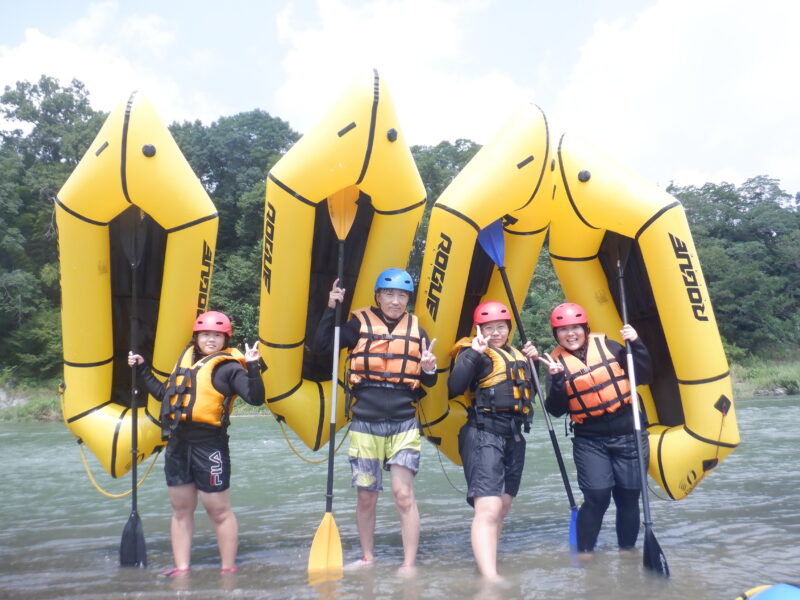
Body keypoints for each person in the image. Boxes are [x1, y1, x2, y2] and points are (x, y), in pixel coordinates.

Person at [313, 268, 438, 572]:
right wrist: (331, 307)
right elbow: (323, 348)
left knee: (403, 494)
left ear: (408, 299)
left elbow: (428, 383)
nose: (396, 301)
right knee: (367, 496)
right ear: (378, 296)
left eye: (402, 296)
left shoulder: (417, 331)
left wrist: (429, 368)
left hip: (404, 423)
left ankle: (409, 564)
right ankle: (368, 557)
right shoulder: (358, 324)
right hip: (365, 422)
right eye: (390, 294)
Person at [127, 310, 264, 576]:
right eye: (206, 335)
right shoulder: (185, 364)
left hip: (209, 446)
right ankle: (182, 568)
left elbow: (255, 398)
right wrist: (142, 367)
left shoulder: (229, 368)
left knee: (218, 510)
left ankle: (227, 569)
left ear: (225, 339)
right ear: (197, 337)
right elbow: (163, 394)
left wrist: (254, 367)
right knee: (180, 509)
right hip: (177, 444)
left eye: (217, 335)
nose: (211, 340)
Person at [541, 302, 652, 557]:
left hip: (628, 435)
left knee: (628, 496)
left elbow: (643, 375)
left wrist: (636, 344)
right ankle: (586, 554)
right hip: (591, 440)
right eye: (563, 330)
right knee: (597, 496)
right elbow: (556, 409)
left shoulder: (611, 347)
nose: (570, 334)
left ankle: (626, 553)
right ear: (556, 334)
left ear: (585, 328)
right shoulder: (555, 363)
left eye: (575, 328)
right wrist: (557, 380)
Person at [447, 301, 539, 580]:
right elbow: (453, 388)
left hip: (514, 435)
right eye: (489, 328)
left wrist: (533, 362)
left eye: (501, 327)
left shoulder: (517, 354)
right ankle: (490, 579)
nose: (495, 332)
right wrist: (473, 355)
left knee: (504, 505)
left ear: (509, 328)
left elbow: (528, 394)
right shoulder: (473, 352)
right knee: (488, 507)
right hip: (483, 432)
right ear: (479, 329)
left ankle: (486, 563)